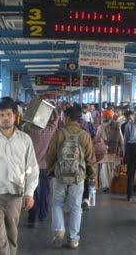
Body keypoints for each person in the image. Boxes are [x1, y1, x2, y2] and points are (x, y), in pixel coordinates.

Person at [0, 100, 39, 255]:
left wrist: (29, 193)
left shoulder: (25, 140)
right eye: (1, 115)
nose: (5, 118)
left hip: (16, 194)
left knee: (12, 235)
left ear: (15, 117)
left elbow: (32, 168)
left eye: (8, 114)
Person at [46, 105, 97, 249]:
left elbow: (50, 155)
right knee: (76, 207)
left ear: (66, 117)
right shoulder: (84, 135)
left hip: (60, 175)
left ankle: (59, 230)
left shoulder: (59, 133)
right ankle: (73, 238)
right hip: (78, 177)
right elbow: (90, 159)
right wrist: (92, 176)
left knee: (57, 203)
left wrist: (51, 170)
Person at [23, 109, 59, 228]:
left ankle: (33, 217)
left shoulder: (29, 132)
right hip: (44, 167)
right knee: (44, 191)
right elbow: (56, 121)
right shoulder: (49, 131)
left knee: (32, 191)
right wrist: (53, 110)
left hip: (30, 167)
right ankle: (43, 214)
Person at [97, 110, 124, 191]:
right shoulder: (117, 126)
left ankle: (107, 186)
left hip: (104, 152)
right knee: (113, 168)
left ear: (104, 117)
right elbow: (121, 140)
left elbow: (97, 138)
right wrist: (121, 150)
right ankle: (112, 185)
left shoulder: (100, 127)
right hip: (114, 151)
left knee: (105, 169)